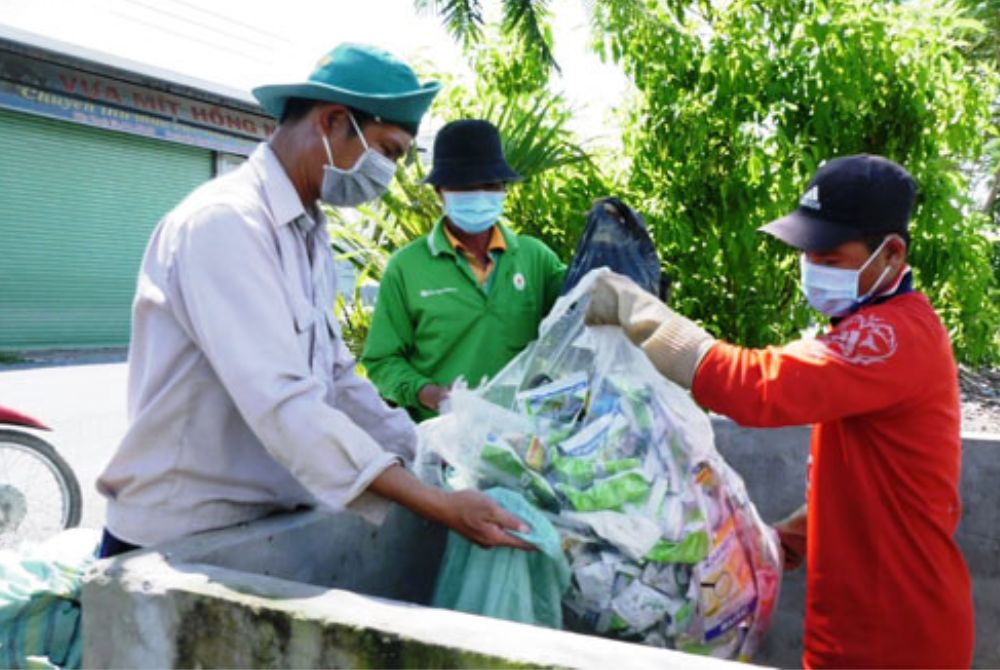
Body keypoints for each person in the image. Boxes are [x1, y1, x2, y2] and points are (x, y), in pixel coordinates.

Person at [95, 44, 532, 558]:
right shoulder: (226, 224)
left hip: (260, 528)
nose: (387, 174)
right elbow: (286, 404)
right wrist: (433, 503)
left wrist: (429, 456)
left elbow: (337, 379)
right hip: (179, 539)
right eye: (387, 151)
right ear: (331, 122)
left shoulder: (308, 233)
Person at [585, 154, 974, 669]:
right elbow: (878, 474)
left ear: (891, 254)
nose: (812, 266)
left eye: (829, 256)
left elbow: (755, 389)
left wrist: (639, 312)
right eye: (807, 252)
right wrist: (792, 535)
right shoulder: (869, 331)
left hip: (895, 638)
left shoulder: (893, 337)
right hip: (850, 629)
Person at [361, 119, 566, 420]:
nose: (479, 195)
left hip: (524, 440)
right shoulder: (406, 268)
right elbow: (382, 361)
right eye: (465, 187)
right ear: (440, 191)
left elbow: (583, 305)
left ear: (503, 189)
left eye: (489, 185)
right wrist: (429, 393)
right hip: (444, 443)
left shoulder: (535, 259)